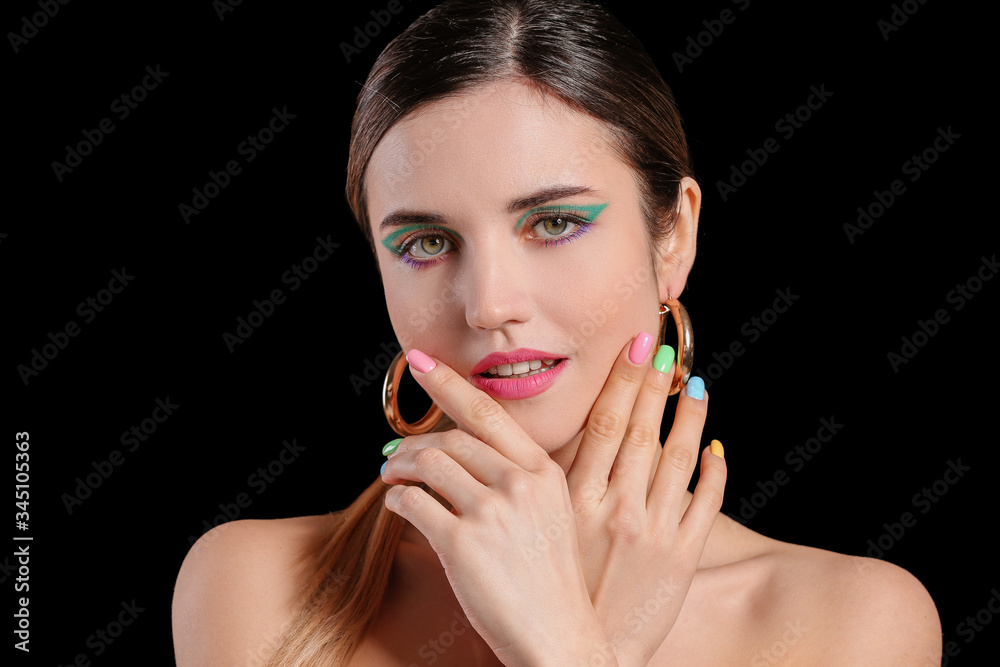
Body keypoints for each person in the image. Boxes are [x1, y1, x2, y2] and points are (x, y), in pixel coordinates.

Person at [172, 1, 942, 664]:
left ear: (673, 236)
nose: (488, 305)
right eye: (426, 244)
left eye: (554, 222)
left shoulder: (852, 622)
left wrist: (567, 647)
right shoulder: (255, 586)